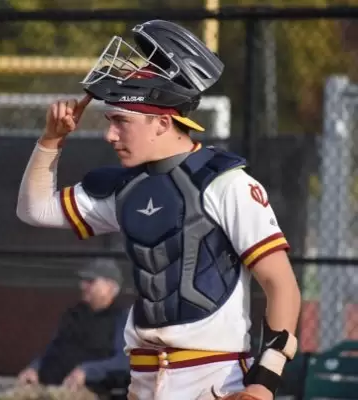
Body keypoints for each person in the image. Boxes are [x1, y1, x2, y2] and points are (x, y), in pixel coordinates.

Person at [16, 20, 301, 400]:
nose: (110, 134)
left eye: (121, 122)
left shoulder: (227, 184)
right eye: (110, 122)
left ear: (163, 123)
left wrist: (264, 384)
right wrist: (51, 141)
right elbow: (35, 210)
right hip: (143, 378)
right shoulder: (126, 188)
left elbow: (281, 285)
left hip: (215, 380)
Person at [16, 260, 130, 398]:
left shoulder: (122, 318)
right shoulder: (73, 314)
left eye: (90, 281)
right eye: (83, 281)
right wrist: (34, 368)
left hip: (92, 391)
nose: (83, 286)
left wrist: (87, 371)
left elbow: (124, 362)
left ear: (110, 287)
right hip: (52, 386)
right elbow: (53, 349)